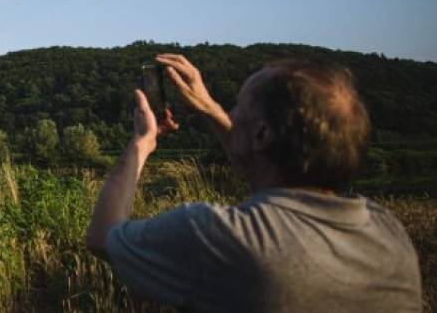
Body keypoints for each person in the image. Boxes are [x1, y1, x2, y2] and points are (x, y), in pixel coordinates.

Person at [86, 54, 422, 312]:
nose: (230, 114)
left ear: (261, 134)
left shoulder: (218, 236)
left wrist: (142, 143)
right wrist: (209, 107)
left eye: (238, 108)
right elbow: (268, 175)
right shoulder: (390, 237)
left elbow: (103, 237)